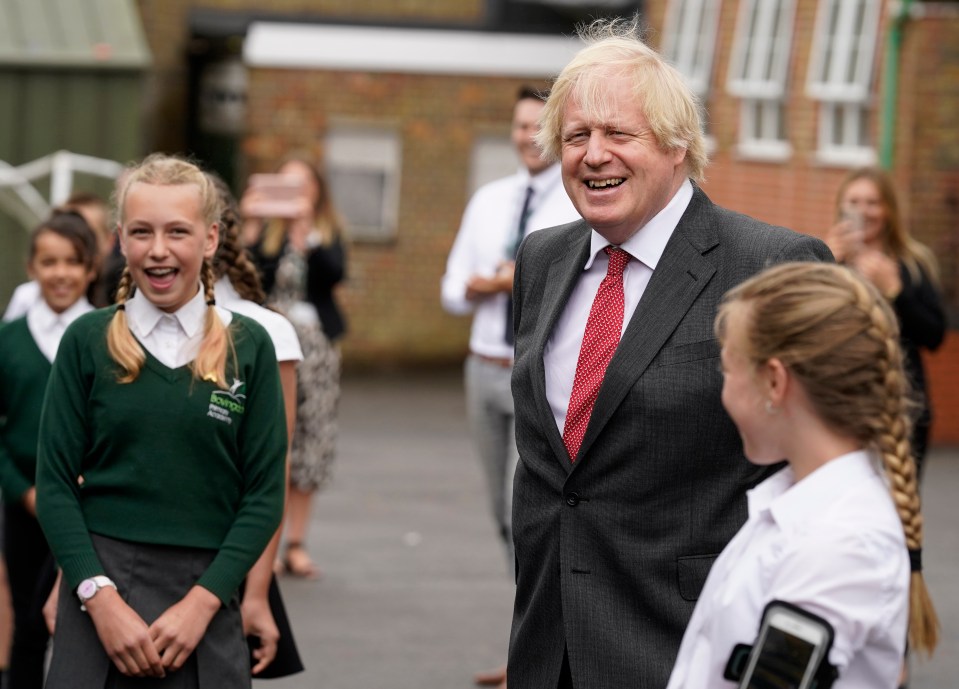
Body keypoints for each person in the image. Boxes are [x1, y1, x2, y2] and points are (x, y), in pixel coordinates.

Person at [507, 17, 832, 689]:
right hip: (547, 646)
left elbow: (825, 475)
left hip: (689, 647)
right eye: (575, 136)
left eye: (619, 134)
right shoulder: (542, 257)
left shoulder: (770, 265)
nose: (593, 154)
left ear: (678, 143)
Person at [35, 153, 287, 687]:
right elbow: (55, 485)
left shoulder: (250, 346)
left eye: (178, 231)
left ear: (211, 238)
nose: (158, 250)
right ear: (120, 240)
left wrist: (203, 602)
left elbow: (264, 494)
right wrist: (97, 596)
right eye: (142, 232)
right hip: (97, 596)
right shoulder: (85, 340)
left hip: (206, 597)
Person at [666, 262, 938, 688]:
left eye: (728, 370)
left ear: (774, 381)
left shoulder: (840, 544)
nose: (724, 390)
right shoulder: (802, 504)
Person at [441, 86, 580, 688]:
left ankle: (545, 648)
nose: (528, 137)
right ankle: (530, 639)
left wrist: (511, 281)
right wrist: (485, 285)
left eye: (538, 126)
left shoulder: (574, 208)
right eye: (520, 126)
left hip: (537, 376)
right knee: (503, 518)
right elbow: (450, 291)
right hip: (482, 366)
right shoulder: (490, 200)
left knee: (527, 511)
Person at [209, 172, 305, 678]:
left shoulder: (265, 331)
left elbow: (272, 466)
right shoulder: (110, 329)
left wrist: (258, 587)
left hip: (227, 554)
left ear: (215, 234)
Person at [0, 211, 98, 689]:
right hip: (25, 507)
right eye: (49, 261)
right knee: (27, 624)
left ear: (92, 268)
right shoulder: (8, 341)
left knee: (82, 626)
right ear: (31, 266)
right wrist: (23, 491)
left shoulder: (108, 338)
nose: (61, 272)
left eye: (72, 262)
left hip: (92, 508)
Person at [241, 155, 347, 579]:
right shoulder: (264, 236)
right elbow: (245, 278)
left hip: (318, 350)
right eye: (285, 186)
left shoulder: (326, 233)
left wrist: (305, 236)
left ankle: (297, 544)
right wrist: (251, 224)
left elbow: (332, 276)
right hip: (270, 345)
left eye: (303, 186)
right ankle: (261, 546)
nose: (296, 195)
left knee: (310, 445)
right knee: (268, 442)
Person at [824, 167, 946, 480]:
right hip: (839, 400)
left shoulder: (913, 263)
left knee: (897, 501)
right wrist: (825, 261)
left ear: (889, 209)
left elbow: (934, 336)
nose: (863, 211)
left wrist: (896, 292)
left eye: (872, 202)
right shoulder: (823, 259)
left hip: (902, 403)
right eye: (854, 201)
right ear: (840, 207)